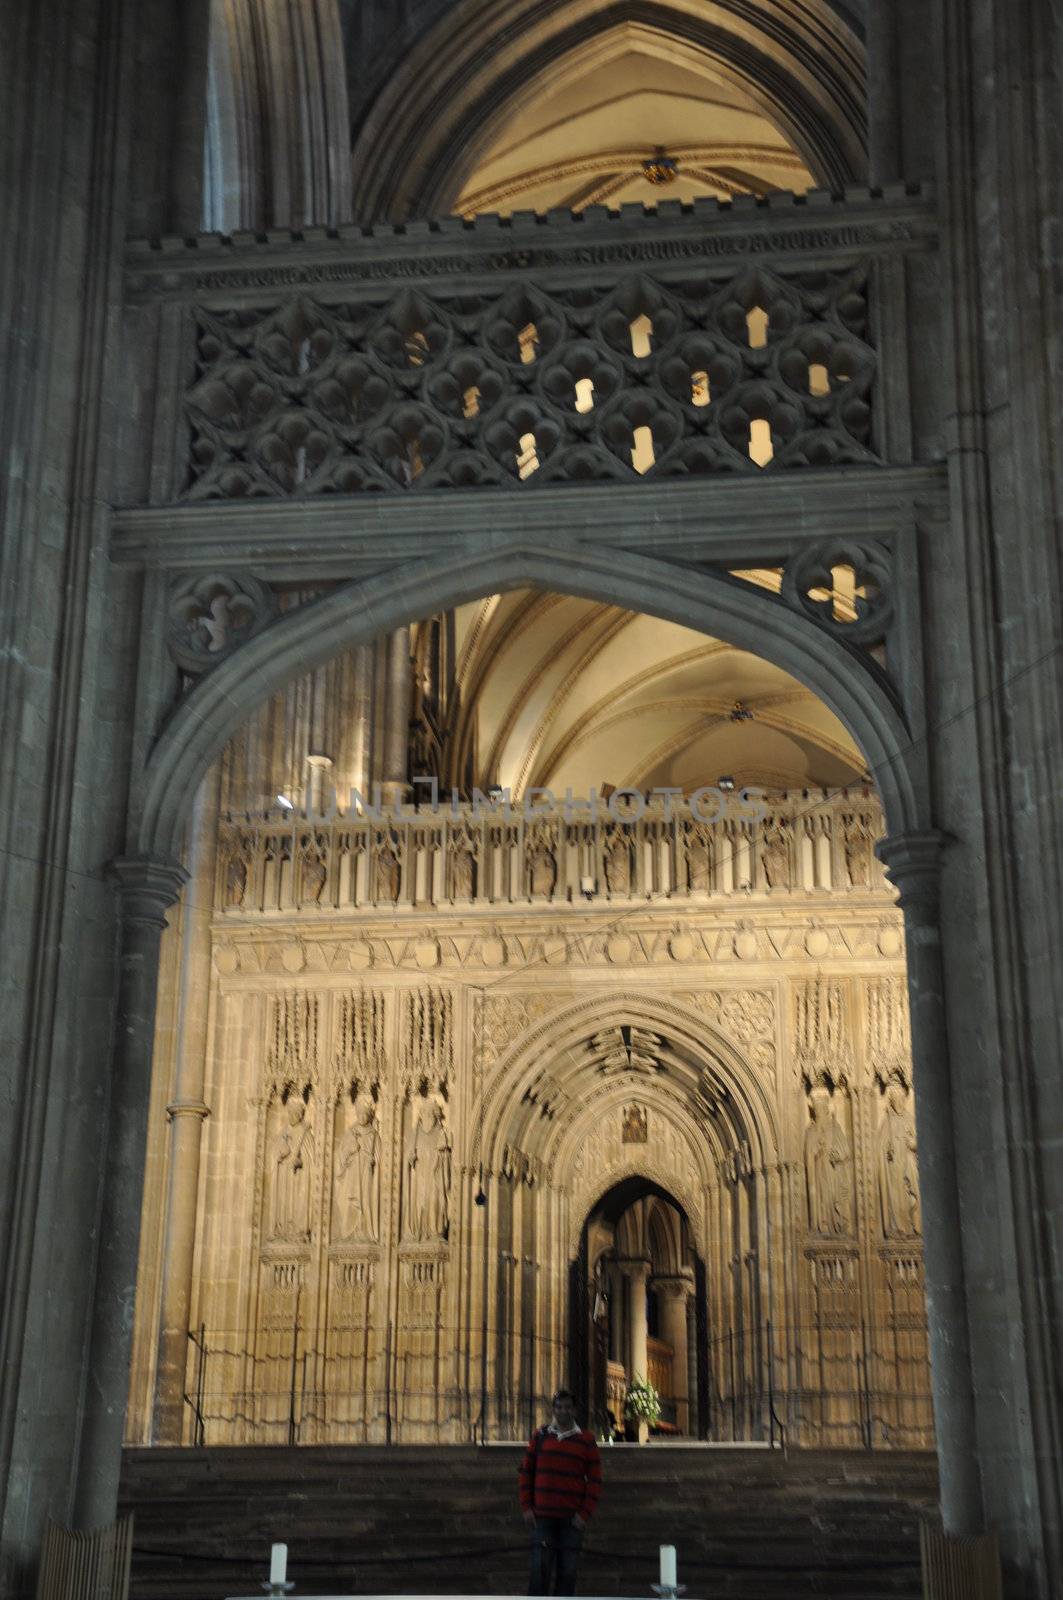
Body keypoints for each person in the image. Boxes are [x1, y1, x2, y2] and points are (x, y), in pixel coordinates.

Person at [519, 1389, 602, 1596]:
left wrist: (584, 1514)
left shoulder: (586, 1440)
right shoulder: (540, 1436)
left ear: (574, 1410)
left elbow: (595, 1480)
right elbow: (526, 1472)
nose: (562, 1411)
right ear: (553, 1409)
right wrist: (527, 1506)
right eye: (558, 1407)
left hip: (571, 1520)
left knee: (568, 1572)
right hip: (543, 1517)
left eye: (567, 1407)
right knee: (540, 1571)